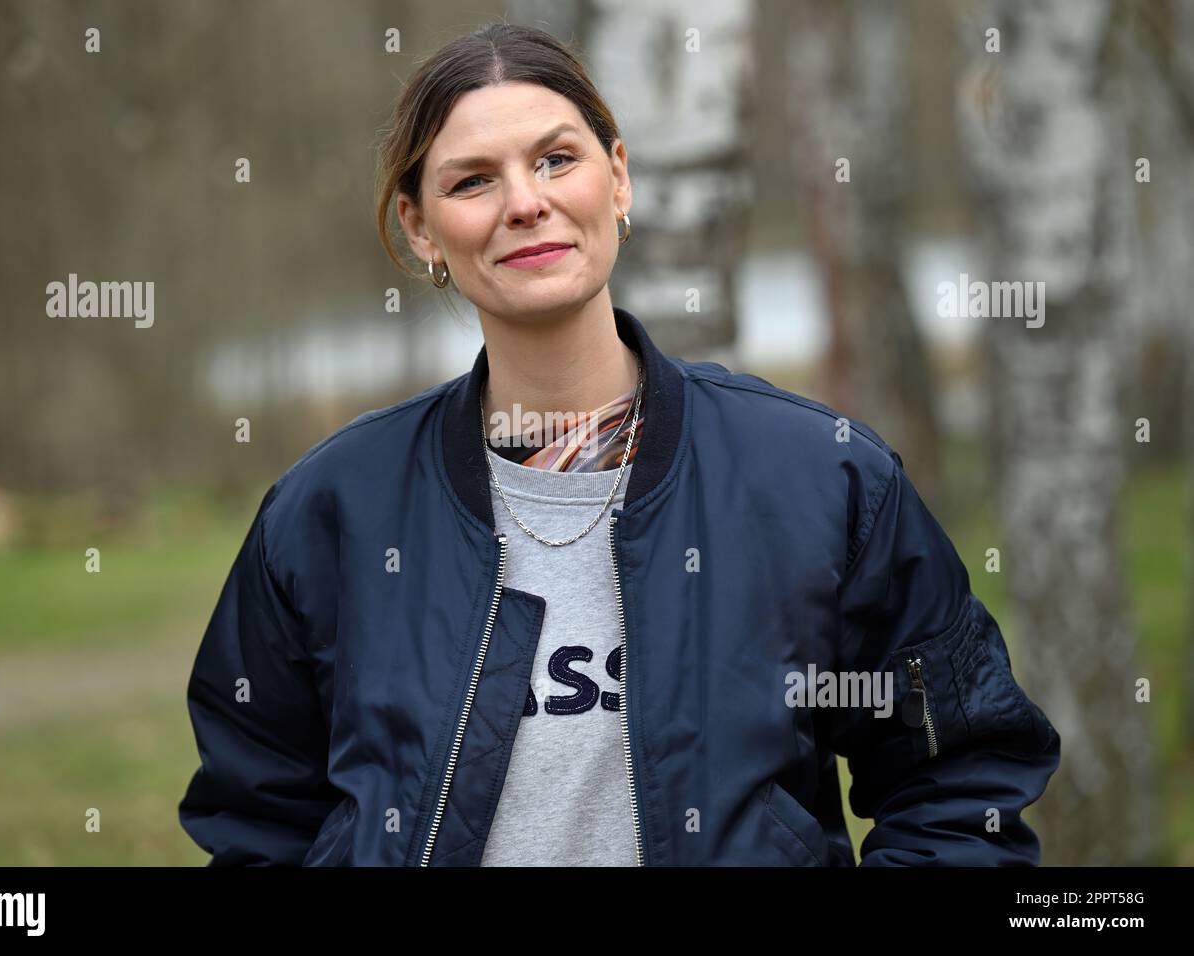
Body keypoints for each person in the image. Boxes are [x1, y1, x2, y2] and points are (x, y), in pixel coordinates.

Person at [178, 22, 1059, 866]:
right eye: (472, 181)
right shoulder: (334, 511)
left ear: (620, 178)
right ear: (419, 228)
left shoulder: (817, 479)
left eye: (557, 159)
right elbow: (259, 817)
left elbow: (958, 777)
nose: (527, 203)